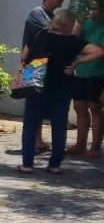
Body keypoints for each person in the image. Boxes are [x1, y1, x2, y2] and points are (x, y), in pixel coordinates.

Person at [18, 9, 104, 174]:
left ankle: (27, 164)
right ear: (70, 25)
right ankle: (54, 165)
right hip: (62, 88)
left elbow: (26, 53)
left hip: (37, 85)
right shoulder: (74, 41)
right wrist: (77, 64)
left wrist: (29, 64)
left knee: (30, 125)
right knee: (58, 127)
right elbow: (99, 51)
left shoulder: (41, 35)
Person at [22, 0, 65, 153]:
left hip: (45, 66)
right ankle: (33, 141)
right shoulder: (37, 13)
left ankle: (37, 139)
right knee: (33, 104)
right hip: (35, 65)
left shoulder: (51, 15)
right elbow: (51, 32)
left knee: (39, 103)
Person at [71, 0, 104, 158]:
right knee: (79, 106)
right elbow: (73, 41)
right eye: (91, 8)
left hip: (98, 73)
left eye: (96, 9)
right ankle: (80, 144)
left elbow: (100, 51)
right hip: (81, 72)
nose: (93, 12)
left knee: (95, 107)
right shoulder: (87, 23)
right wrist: (79, 22)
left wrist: (86, 51)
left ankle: (96, 146)